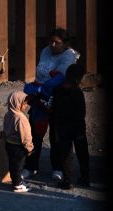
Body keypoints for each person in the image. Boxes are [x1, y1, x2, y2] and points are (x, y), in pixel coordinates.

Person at [22, 28, 81, 179]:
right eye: (51, 41)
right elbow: (41, 72)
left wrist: (39, 88)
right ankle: (30, 166)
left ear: (65, 44)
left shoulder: (68, 55)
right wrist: (36, 88)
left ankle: (57, 168)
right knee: (34, 134)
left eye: (57, 42)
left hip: (57, 99)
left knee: (56, 136)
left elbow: (59, 78)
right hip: (39, 99)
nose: (53, 45)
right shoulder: (45, 51)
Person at [49, 63, 90, 189]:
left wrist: (54, 127)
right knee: (82, 152)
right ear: (78, 78)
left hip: (62, 127)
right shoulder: (77, 92)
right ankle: (85, 178)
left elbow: (53, 110)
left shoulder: (57, 90)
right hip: (78, 127)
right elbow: (81, 112)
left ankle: (68, 180)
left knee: (66, 154)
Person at [3, 91, 34, 193]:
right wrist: (29, 148)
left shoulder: (8, 114)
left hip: (9, 144)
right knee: (18, 166)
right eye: (24, 104)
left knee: (13, 165)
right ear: (17, 103)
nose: (26, 106)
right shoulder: (20, 118)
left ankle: (17, 181)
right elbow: (26, 136)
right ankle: (17, 185)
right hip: (18, 147)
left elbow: (5, 130)